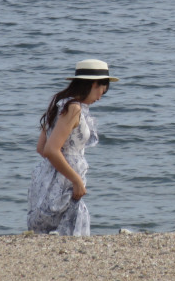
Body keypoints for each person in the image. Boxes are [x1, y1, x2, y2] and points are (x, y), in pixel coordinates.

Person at [27, 59, 118, 236]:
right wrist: (75, 179)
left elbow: (41, 147)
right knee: (73, 235)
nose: (100, 97)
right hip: (65, 181)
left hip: (48, 177)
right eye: (101, 90)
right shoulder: (73, 108)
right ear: (93, 84)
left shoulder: (60, 104)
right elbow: (50, 150)